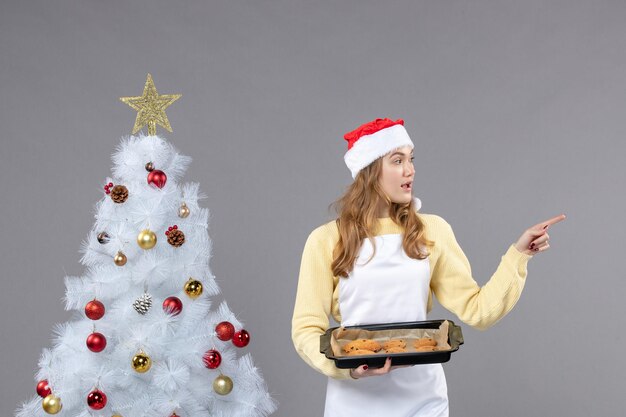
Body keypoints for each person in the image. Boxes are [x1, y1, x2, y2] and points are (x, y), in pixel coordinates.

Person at [291, 118, 565, 416]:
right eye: (397, 160)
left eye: (411, 159)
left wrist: (518, 255)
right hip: (354, 403)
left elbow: (479, 311)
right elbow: (306, 330)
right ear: (369, 172)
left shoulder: (432, 230)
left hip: (423, 401)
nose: (410, 170)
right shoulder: (326, 240)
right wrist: (350, 369)